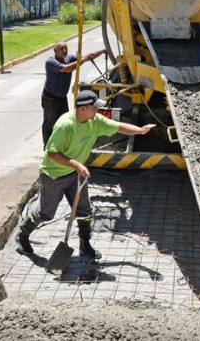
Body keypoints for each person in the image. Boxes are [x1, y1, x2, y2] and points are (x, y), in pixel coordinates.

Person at [16, 90, 155, 259]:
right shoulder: (65, 125)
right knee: (46, 212)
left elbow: (118, 126)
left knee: (84, 210)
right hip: (54, 174)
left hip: (76, 173)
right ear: (83, 108)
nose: (97, 110)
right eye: (94, 107)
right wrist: (75, 164)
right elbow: (51, 152)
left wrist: (140, 130)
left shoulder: (94, 121)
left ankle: (85, 245)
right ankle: (23, 234)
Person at [42, 41, 107, 147]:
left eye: (66, 48)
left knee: (65, 123)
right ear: (55, 50)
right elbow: (66, 69)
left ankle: (62, 146)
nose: (64, 50)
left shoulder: (69, 58)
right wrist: (81, 60)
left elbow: (88, 56)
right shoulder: (50, 62)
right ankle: (47, 148)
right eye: (61, 48)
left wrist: (103, 50)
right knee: (49, 125)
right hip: (50, 98)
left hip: (62, 98)